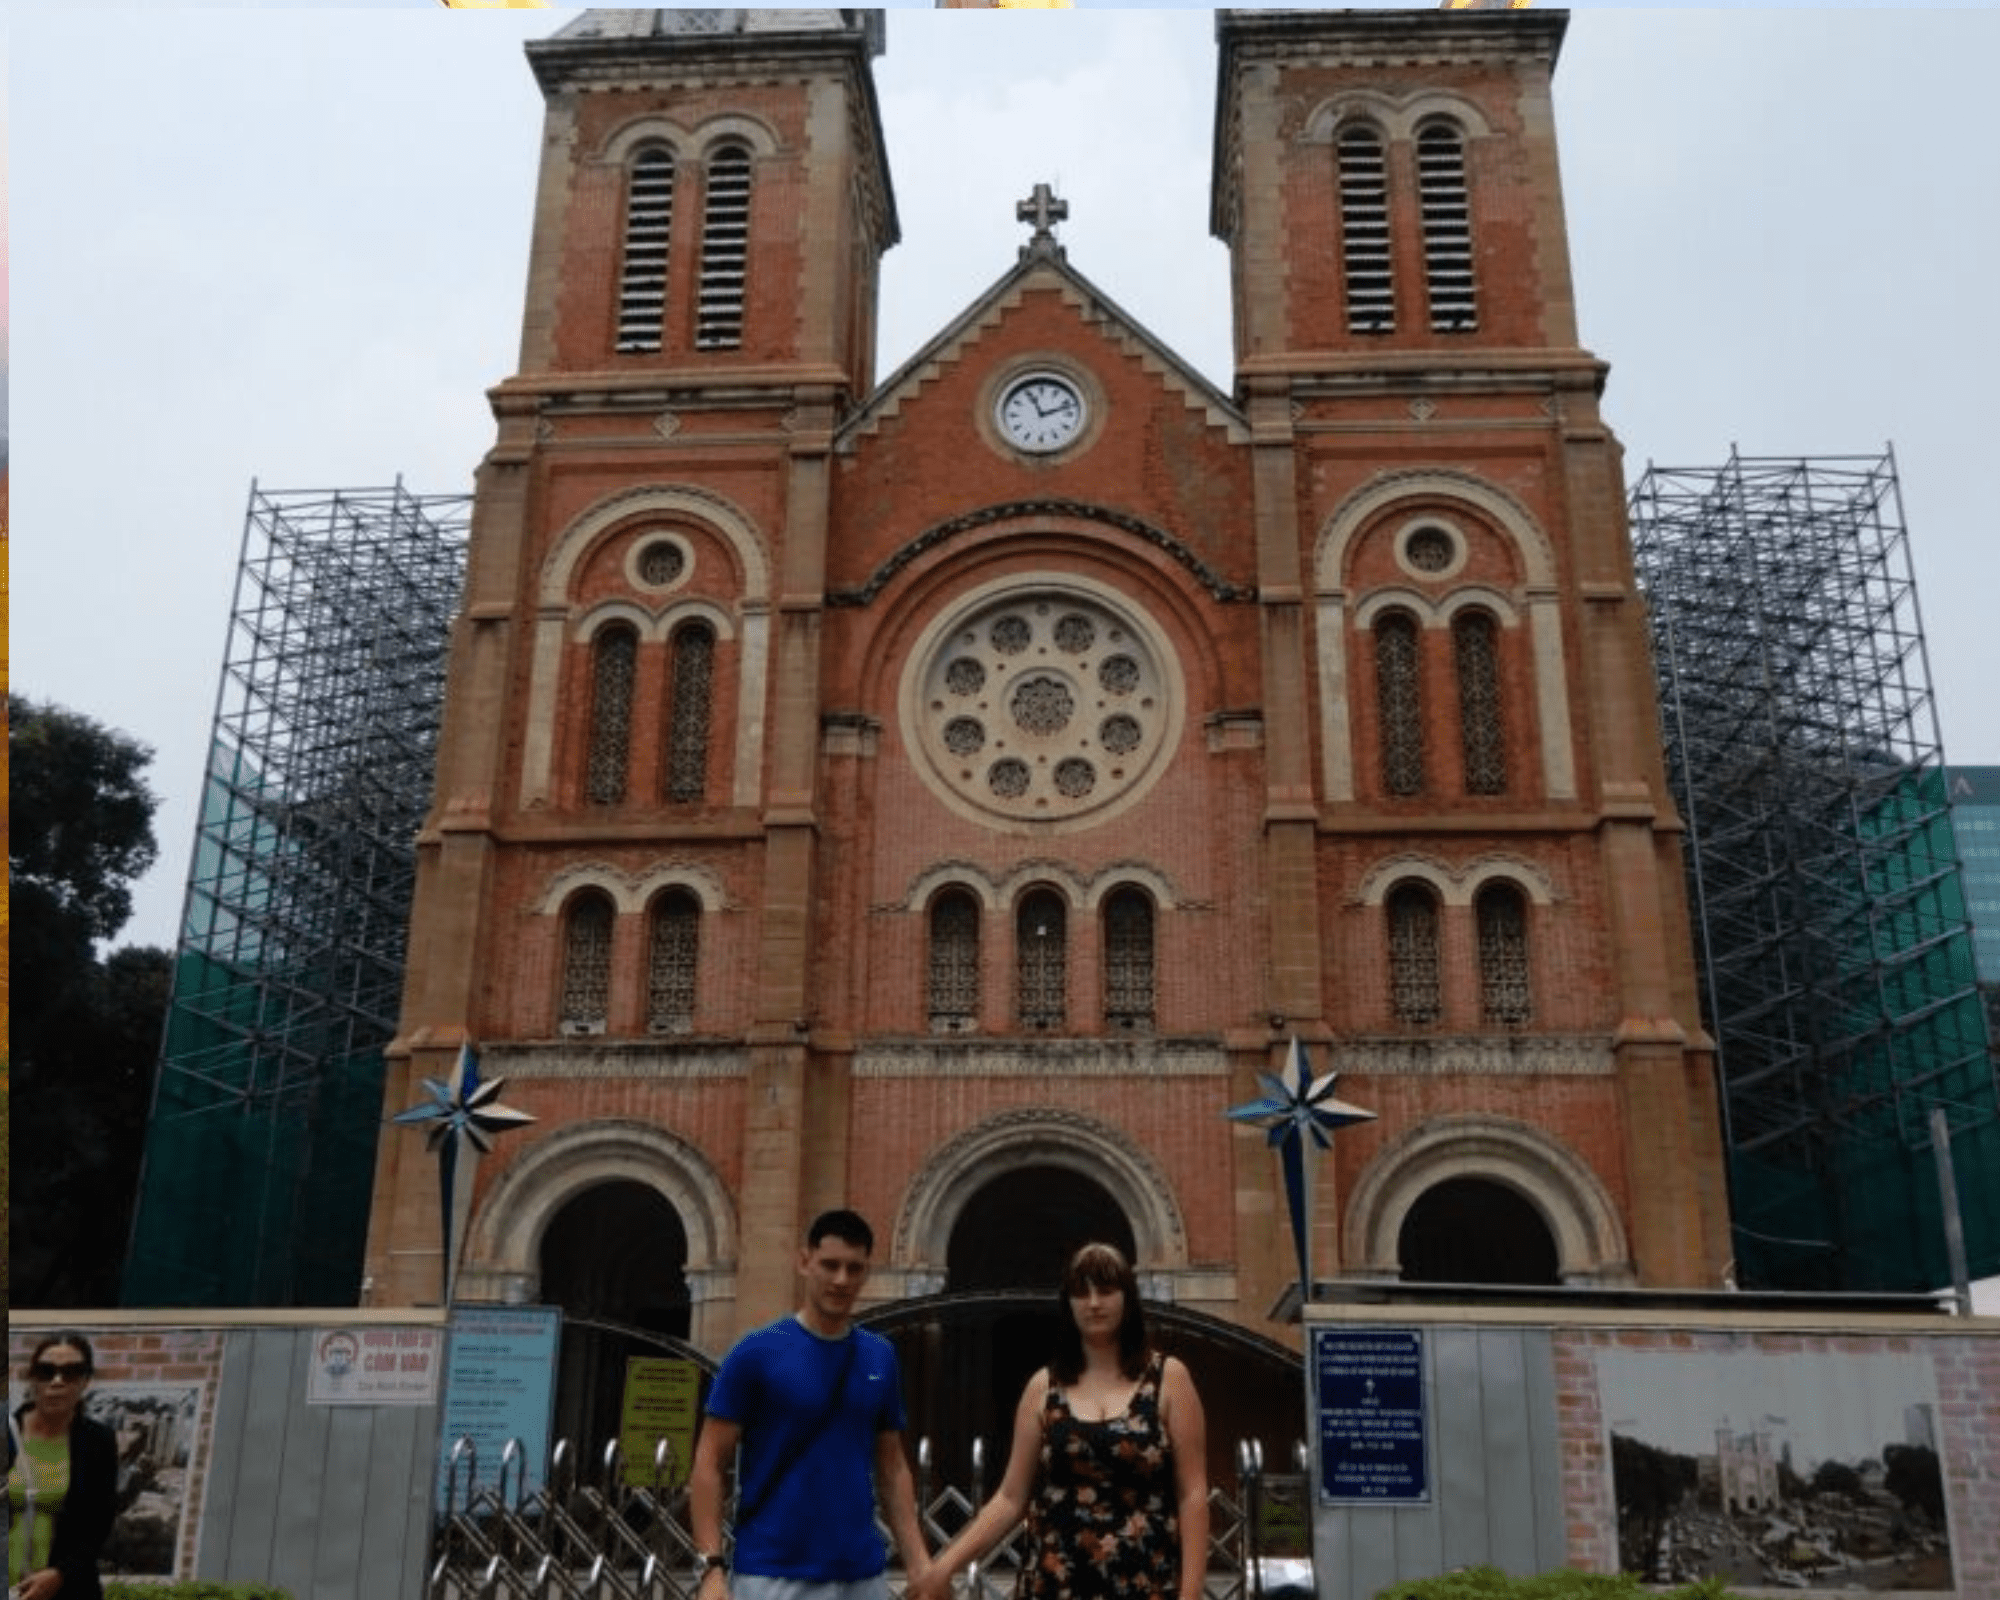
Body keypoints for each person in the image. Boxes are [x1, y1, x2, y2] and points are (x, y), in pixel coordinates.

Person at [915, 1242, 1209, 1600]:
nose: (1094, 1302)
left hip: (1145, 1583)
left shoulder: (1169, 1379)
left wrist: (1191, 1593)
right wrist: (945, 1566)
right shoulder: (1043, 1388)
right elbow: (1010, 1498)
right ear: (1068, 1303)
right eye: (1081, 1292)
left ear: (1128, 1298)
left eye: (1106, 1290)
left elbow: (1192, 1494)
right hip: (1053, 1584)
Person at [689, 1210, 931, 1600]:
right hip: (773, 1572)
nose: (841, 1280)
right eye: (830, 1265)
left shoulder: (880, 1357)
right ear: (804, 1262)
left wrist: (919, 1562)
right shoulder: (756, 1352)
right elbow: (709, 1462)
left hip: (862, 1574)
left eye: (854, 1269)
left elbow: (893, 1467)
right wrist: (711, 1568)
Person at [7, 1333, 118, 1600]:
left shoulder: (97, 1442)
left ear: (85, 1381)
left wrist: (60, 1574)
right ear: (32, 1377)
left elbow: (98, 1525)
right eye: (46, 1371)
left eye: (71, 1372)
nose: (57, 1381)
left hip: (66, 1589)